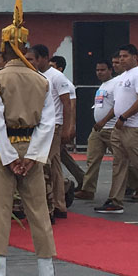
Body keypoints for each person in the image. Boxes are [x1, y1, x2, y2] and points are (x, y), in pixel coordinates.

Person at [0, 0, 57, 276]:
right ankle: (47, 274)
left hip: (6, 149)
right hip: (32, 147)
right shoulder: (41, 80)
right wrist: (31, 157)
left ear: (6, 48)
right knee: (39, 213)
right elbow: (48, 123)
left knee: (1, 214)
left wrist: (10, 158)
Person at [95, 44, 138, 214]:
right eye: (120, 57)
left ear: (134, 57)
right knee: (119, 162)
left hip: (133, 127)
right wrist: (108, 119)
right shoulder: (122, 77)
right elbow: (118, 103)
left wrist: (124, 117)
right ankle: (115, 200)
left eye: (125, 56)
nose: (122, 59)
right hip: (119, 126)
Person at [25, 45, 73, 220]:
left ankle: (49, 206)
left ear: (43, 58)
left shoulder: (56, 76)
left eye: (32, 59)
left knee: (43, 164)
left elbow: (67, 103)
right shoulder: (36, 75)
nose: (29, 62)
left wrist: (67, 128)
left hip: (54, 126)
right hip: (41, 125)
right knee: (54, 166)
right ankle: (60, 204)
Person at [76, 57, 119, 200]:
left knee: (122, 159)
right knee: (92, 159)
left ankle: (137, 186)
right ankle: (88, 189)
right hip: (98, 129)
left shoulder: (115, 84)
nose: (99, 72)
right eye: (97, 70)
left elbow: (117, 106)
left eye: (103, 70)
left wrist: (104, 120)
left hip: (111, 128)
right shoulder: (102, 86)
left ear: (110, 70)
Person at [49, 56, 85, 194]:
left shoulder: (66, 84)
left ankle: (63, 185)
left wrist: (69, 127)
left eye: (52, 66)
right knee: (62, 156)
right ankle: (81, 178)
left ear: (60, 68)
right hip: (53, 124)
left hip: (59, 125)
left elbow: (71, 106)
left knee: (55, 157)